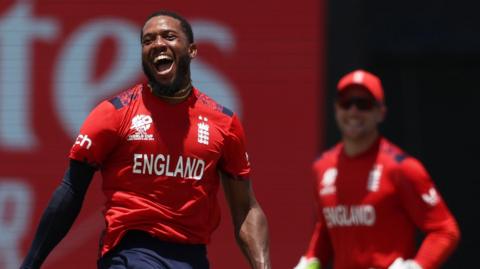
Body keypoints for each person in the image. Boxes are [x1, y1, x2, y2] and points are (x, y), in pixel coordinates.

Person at [20, 10, 270, 269]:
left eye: (169, 36)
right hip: (129, 251)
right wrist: (30, 264)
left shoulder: (223, 123)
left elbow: (246, 208)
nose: (158, 44)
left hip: (192, 257)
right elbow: (71, 190)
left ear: (192, 50)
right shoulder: (113, 114)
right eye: (148, 41)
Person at [294, 69, 460, 269]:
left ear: (380, 112)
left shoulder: (401, 168)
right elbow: (326, 230)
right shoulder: (322, 167)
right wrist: (310, 262)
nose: (353, 111)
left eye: (363, 104)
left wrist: (416, 266)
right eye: (346, 103)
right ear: (336, 108)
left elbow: (445, 229)